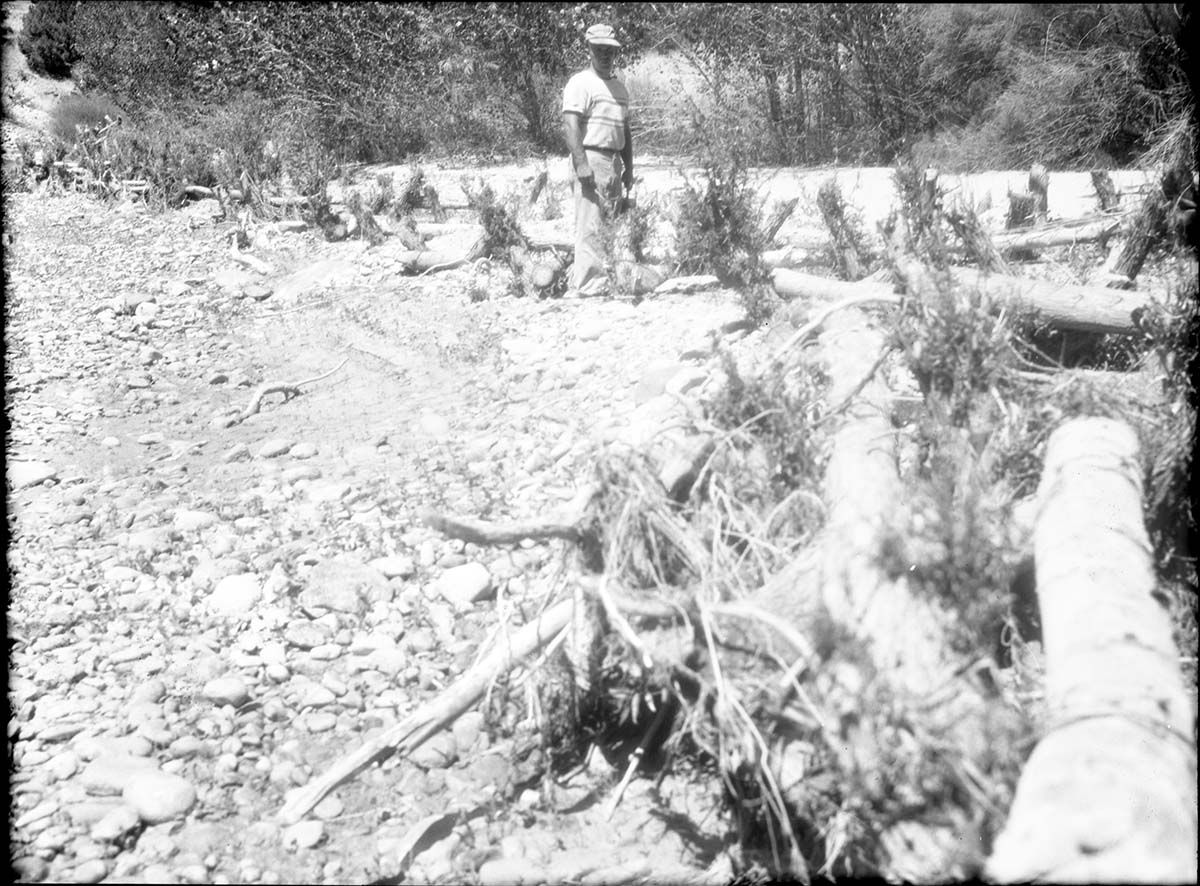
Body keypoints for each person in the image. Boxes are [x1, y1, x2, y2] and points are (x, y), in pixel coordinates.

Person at [561, 23, 633, 297]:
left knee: (609, 223)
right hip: (590, 156)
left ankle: (600, 280)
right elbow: (570, 125)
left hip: (613, 161)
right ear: (589, 50)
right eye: (599, 49)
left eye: (610, 50)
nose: (605, 55)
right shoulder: (581, 83)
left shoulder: (620, 89)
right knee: (589, 224)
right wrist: (581, 163)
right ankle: (586, 287)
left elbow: (625, 131)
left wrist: (628, 169)